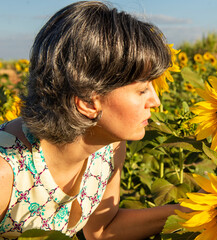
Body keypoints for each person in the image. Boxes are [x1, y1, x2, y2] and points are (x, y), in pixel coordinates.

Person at [0, 1, 187, 239]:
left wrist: (188, 212)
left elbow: (101, 229)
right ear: (88, 102)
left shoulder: (108, 149)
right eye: (142, 90)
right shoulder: (6, 173)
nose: (155, 101)